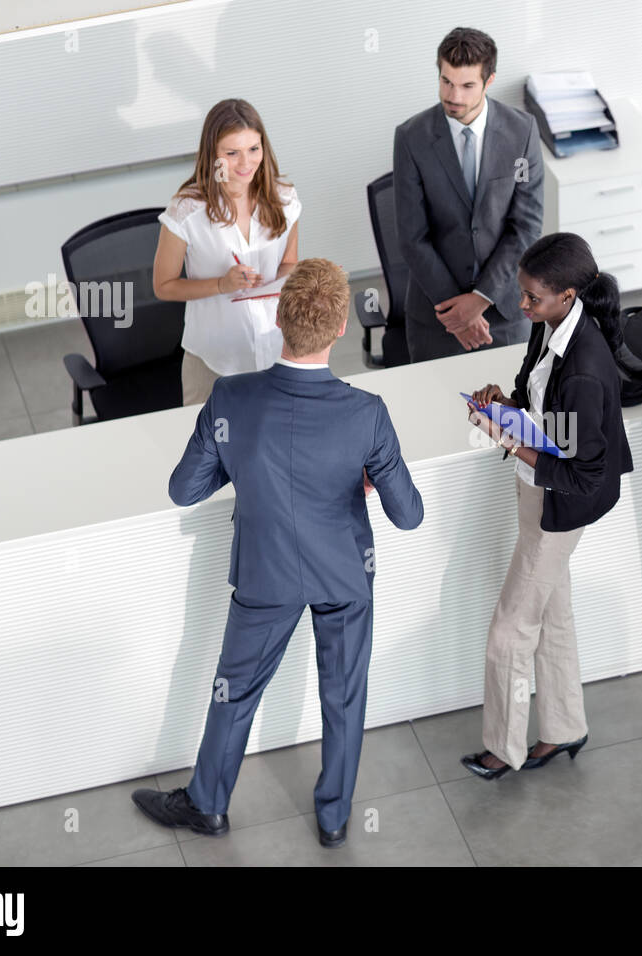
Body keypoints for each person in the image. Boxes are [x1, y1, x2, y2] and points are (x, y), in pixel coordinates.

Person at [131, 259, 424, 849]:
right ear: (341, 327)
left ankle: (209, 803)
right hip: (345, 575)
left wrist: (244, 464)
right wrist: (364, 469)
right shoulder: (368, 413)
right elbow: (408, 515)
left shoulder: (229, 398)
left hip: (266, 577)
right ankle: (335, 818)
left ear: (278, 317)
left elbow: (183, 489)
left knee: (233, 690)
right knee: (344, 698)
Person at [459, 233, 633, 779]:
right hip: (538, 489)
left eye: (532, 298)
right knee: (553, 612)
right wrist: (504, 404)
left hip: (560, 503)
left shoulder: (584, 365)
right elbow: (537, 401)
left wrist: (508, 441)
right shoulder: (550, 327)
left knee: (510, 628)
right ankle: (564, 728)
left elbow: (583, 473)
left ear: (569, 294)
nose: (522, 307)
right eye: (523, 294)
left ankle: (503, 748)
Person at [393, 26, 544, 362]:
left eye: (467, 85)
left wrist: (481, 297)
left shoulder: (522, 131)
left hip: (503, 309)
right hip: (438, 315)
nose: (454, 96)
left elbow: (526, 227)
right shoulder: (410, 138)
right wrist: (458, 313)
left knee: (509, 411)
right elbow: (412, 237)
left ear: (489, 82)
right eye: (446, 81)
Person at [154, 98, 302, 405]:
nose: (245, 163)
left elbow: (289, 262)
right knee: (210, 448)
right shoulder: (186, 211)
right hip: (213, 362)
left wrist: (282, 283)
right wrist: (222, 285)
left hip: (276, 350)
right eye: (231, 153)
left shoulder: (285, 199)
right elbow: (163, 286)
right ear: (213, 155)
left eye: (253, 149)